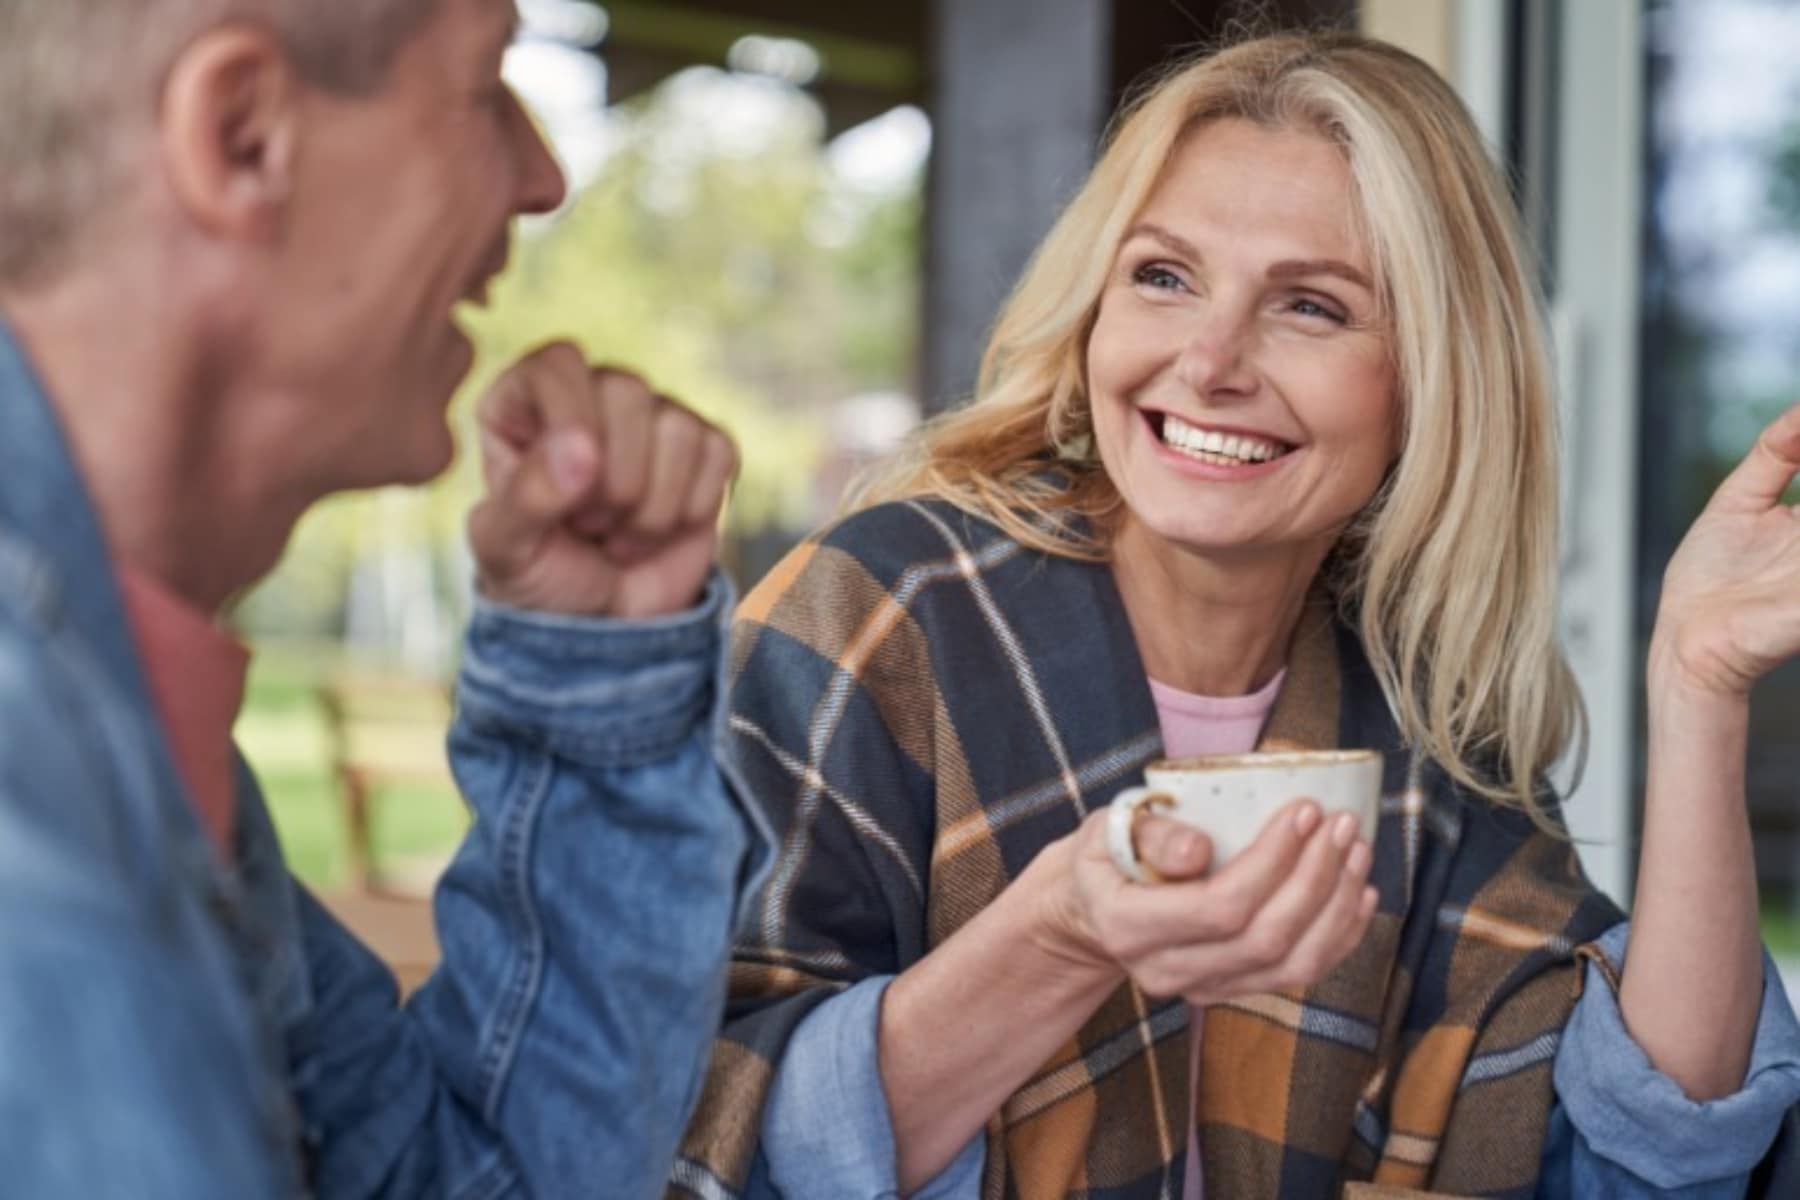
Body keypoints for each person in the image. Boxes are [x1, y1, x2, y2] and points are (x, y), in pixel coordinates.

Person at [672, 30, 1800, 1200]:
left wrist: (1698, 684)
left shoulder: (1416, 715)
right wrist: (1065, 935)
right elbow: (690, 1127)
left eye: (1310, 306)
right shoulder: (883, 610)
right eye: (1163, 276)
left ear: (1430, 383)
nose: (1210, 361)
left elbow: (1651, 1146)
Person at [0, 0, 764, 1196]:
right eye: (483, 85)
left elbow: (456, 1181)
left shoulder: (115, 711)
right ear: (245, 135)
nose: (544, 175)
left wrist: (597, 666)